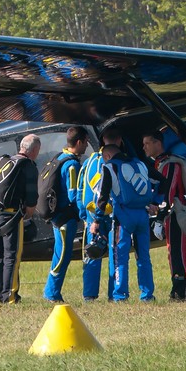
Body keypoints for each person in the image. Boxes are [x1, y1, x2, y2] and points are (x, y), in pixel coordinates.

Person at [93, 140, 161, 302]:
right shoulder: (140, 165)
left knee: (120, 257)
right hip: (142, 216)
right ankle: (147, 295)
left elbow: (102, 197)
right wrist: (156, 202)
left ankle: (120, 295)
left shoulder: (109, 167)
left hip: (123, 217)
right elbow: (161, 180)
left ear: (107, 156)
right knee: (143, 256)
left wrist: (97, 220)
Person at [0, 133, 40, 304]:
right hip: (11, 218)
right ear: (35, 150)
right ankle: (10, 296)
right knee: (12, 257)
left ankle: (1, 293)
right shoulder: (27, 166)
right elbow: (31, 198)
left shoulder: (4, 161)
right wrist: (29, 214)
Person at [143, 131, 186, 301]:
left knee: (177, 252)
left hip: (176, 213)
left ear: (157, 143)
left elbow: (169, 192)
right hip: (170, 213)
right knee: (177, 251)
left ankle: (180, 291)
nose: (144, 147)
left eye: (147, 143)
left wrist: (160, 217)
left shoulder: (170, 164)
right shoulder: (159, 163)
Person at [43, 127, 88, 303]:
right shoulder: (72, 165)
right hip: (65, 218)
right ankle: (51, 293)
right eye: (85, 142)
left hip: (57, 216)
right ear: (79, 142)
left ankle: (51, 292)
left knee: (59, 253)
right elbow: (74, 195)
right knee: (62, 255)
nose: (86, 146)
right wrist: (83, 215)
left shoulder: (59, 157)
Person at [77, 129, 118, 301]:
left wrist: (84, 215)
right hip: (110, 215)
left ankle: (89, 295)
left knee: (92, 253)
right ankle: (114, 294)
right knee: (114, 255)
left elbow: (79, 189)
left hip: (91, 215)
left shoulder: (89, 161)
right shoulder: (114, 162)